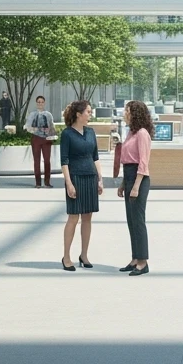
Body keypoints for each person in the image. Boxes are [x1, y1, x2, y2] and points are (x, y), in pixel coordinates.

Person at [59, 100, 103, 270]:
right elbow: (64, 161)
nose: (90, 115)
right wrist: (68, 183)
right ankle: (66, 257)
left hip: (90, 177)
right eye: (88, 112)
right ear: (79, 114)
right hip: (75, 178)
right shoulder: (67, 134)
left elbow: (95, 157)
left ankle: (84, 255)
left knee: (87, 217)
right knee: (73, 217)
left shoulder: (91, 132)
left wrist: (100, 179)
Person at [116, 100, 153, 276]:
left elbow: (143, 162)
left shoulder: (142, 134)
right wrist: (124, 183)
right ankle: (135, 258)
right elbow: (127, 160)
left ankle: (143, 262)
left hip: (139, 178)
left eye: (127, 111)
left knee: (138, 221)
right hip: (129, 176)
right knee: (131, 221)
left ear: (134, 113)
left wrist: (136, 186)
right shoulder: (131, 132)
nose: (124, 113)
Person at [25, 95, 56, 188]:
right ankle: (38, 182)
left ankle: (47, 182)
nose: (40, 103)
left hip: (46, 139)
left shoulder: (48, 115)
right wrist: (34, 130)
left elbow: (52, 126)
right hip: (36, 138)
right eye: (38, 102)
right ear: (36, 103)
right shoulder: (32, 114)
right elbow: (27, 126)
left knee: (47, 160)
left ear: (44, 103)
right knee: (36, 160)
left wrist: (51, 133)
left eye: (42, 102)